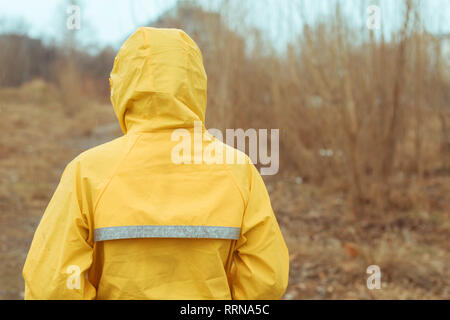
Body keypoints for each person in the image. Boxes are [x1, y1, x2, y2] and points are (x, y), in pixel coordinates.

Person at [22, 27, 289, 300]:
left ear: (122, 87)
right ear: (196, 85)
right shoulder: (238, 170)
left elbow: (52, 286)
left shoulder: (86, 171)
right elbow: (268, 279)